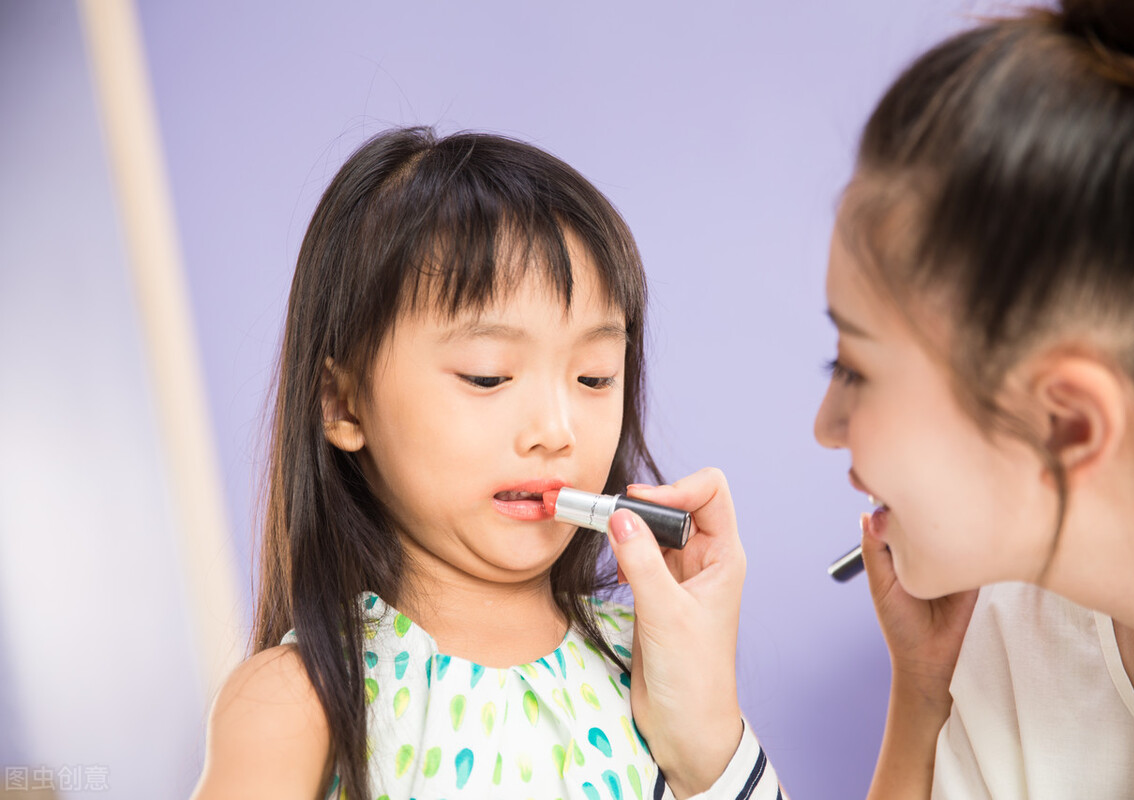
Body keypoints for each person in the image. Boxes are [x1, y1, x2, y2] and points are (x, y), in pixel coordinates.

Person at [611, 0, 1134, 796]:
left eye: (852, 366)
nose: (827, 428)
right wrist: (920, 702)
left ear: (1067, 423)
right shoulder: (1011, 625)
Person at [190, 127, 781, 800]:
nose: (556, 432)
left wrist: (711, 747)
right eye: (488, 376)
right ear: (345, 405)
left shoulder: (655, 667)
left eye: (593, 378)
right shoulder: (297, 705)